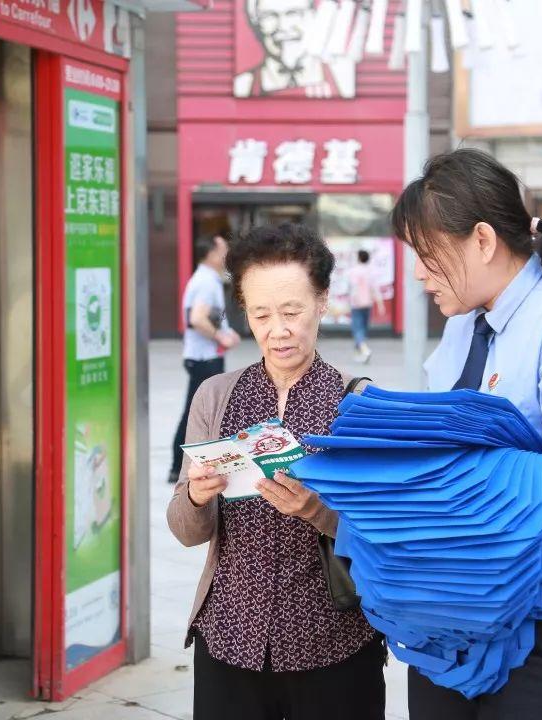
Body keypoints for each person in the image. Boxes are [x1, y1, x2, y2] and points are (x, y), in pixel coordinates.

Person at [392, 148, 542, 720]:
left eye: (427, 254)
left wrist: (456, 493)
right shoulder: (461, 329)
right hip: (455, 607)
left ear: (481, 240)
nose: (419, 272)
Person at [167, 223, 386, 720]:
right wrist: (197, 497)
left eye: (292, 311)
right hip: (229, 637)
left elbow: (384, 533)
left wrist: (318, 512)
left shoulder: (358, 403)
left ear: (323, 301)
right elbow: (184, 530)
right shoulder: (216, 396)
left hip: (333, 641)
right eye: (261, 314)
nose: (277, 330)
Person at [168, 235, 240, 484]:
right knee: (197, 410)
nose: (226, 253)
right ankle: (178, 466)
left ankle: (180, 464)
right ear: (210, 252)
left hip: (203, 356)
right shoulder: (206, 282)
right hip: (204, 357)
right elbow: (198, 319)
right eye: (223, 248)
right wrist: (222, 337)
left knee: (199, 408)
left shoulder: (206, 279)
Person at [347, 249, 385, 363]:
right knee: (363, 328)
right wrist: (380, 304)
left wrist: (352, 300)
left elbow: (353, 288)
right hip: (368, 304)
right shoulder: (370, 271)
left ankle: (365, 350)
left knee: (357, 329)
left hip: (356, 304)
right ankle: (360, 353)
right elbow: (375, 289)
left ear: (358, 258)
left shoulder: (354, 271)